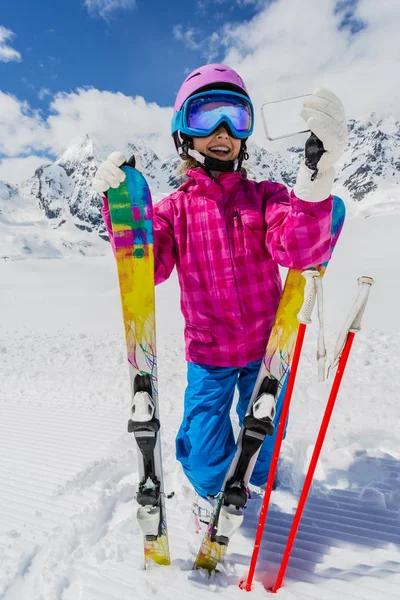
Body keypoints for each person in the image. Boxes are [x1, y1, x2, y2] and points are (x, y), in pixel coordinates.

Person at [93, 64, 347, 537]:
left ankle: (259, 477)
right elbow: (149, 269)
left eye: (236, 116)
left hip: (265, 353)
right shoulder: (173, 212)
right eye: (207, 115)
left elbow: (301, 250)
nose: (223, 133)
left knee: (265, 445)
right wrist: (123, 212)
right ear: (182, 134)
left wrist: (315, 184)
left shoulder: (268, 197)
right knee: (205, 453)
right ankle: (210, 495)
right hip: (208, 354)